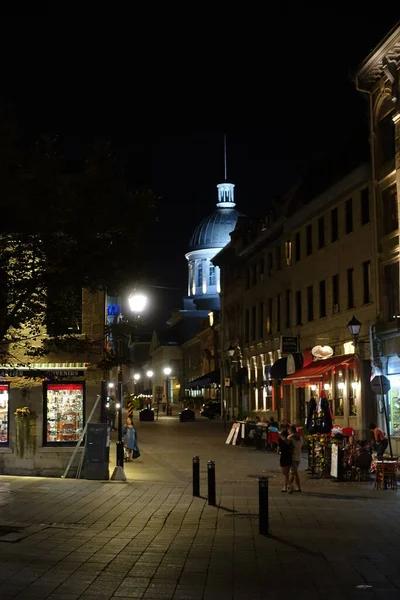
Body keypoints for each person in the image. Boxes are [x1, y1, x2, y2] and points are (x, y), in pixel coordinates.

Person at [288, 424, 302, 493]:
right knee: (295, 472)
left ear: (291, 430)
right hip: (298, 456)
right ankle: (299, 487)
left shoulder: (290, 437)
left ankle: (290, 486)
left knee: (293, 472)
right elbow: (301, 445)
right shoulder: (300, 437)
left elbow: (287, 445)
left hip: (292, 456)